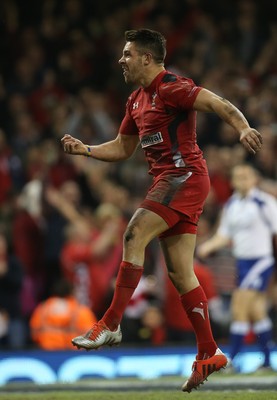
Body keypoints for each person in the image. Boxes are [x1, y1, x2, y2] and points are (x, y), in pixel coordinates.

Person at [61, 29, 262, 392]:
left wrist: (243, 126)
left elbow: (218, 103)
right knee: (180, 273)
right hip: (171, 181)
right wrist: (86, 150)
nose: (121, 60)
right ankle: (208, 352)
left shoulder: (172, 87)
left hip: (183, 176)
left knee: (133, 233)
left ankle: (110, 323)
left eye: (127, 54)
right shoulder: (135, 100)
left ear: (147, 58)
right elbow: (123, 148)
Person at [197, 164, 277, 372]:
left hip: (260, 261)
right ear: (232, 181)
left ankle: (232, 359)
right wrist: (207, 246)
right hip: (241, 263)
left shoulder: (264, 202)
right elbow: (225, 235)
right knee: (256, 312)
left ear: (254, 179)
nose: (242, 180)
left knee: (238, 308)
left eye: (246, 176)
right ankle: (267, 363)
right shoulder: (231, 204)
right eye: (237, 177)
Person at [30, 278, 97, 350]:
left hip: (47, 352)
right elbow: (93, 337)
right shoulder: (81, 311)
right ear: (72, 292)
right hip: (72, 353)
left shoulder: (42, 309)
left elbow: (34, 333)